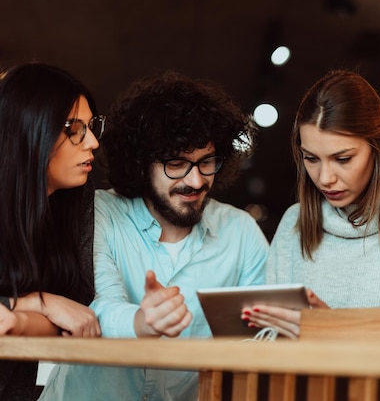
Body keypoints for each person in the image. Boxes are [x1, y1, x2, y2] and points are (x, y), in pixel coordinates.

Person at [39, 70, 269, 400]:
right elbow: (97, 303)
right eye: (176, 164)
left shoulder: (240, 232)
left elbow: (262, 337)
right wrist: (143, 322)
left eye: (207, 162)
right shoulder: (99, 210)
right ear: (142, 162)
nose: (195, 181)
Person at [242, 69, 380, 339]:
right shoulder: (295, 221)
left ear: (378, 147)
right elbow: (265, 337)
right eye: (311, 158)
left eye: (343, 159)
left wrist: (330, 329)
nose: (325, 178)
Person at [0, 63, 103, 400]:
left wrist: (20, 314)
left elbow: (71, 321)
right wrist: (37, 303)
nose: (93, 142)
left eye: (90, 126)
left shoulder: (71, 208)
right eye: (74, 128)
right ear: (27, 129)